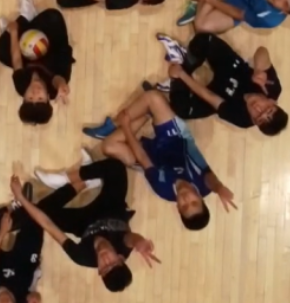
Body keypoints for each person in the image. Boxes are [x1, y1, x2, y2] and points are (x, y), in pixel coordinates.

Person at [83, 90, 237, 230]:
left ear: (178, 208)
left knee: (108, 147)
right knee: (153, 97)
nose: (186, 199)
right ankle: (113, 124)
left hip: (151, 155)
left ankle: (145, 114)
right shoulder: (206, 184)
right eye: (194, 202)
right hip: (176, 137)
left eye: (184, 206)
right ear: (201, 198)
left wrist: (127, 127)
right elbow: (212, 181)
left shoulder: (163, 190)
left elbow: (142, 157)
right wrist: (220, 188)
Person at [12, 166, 158, 293]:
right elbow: (132, 240)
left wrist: (22, 199)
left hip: (84, 223)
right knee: (116, 168)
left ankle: (81, 184)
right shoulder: (123, 245)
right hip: (110, 209)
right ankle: (72, 178)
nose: (105, 260)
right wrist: (140, 241)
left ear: (99, 271)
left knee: (42, 214)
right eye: (112, 263)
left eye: (105, 267)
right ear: (120, 258)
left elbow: (48, 225)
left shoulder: (82, 256)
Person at [156, 33, 288, 135]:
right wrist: (259, 69)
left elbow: (209, 96)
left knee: (183, 110)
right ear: (273, 102)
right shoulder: (272, 88)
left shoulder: (242, 119)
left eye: (258, 117)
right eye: (267, 108)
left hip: (219, 94)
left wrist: (182, 75)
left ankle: (177, 79)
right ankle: (183, 63)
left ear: (254, 122)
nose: (257, 108)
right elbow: (262, 51)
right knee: (204, 40)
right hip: (232, 70)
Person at [0, 0, 75, 125]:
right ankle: (27, 16)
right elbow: (57, 80)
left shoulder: (21, 87)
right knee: (53, 16)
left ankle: (23, 24)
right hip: (52, 47)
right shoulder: (55, 88)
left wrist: (14, 33)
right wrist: (61, 84)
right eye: (40, 98)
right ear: (48, 98)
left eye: (30, 98)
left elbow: (17, 61)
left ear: (24, 98)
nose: (35, 92)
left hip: (28, 55)